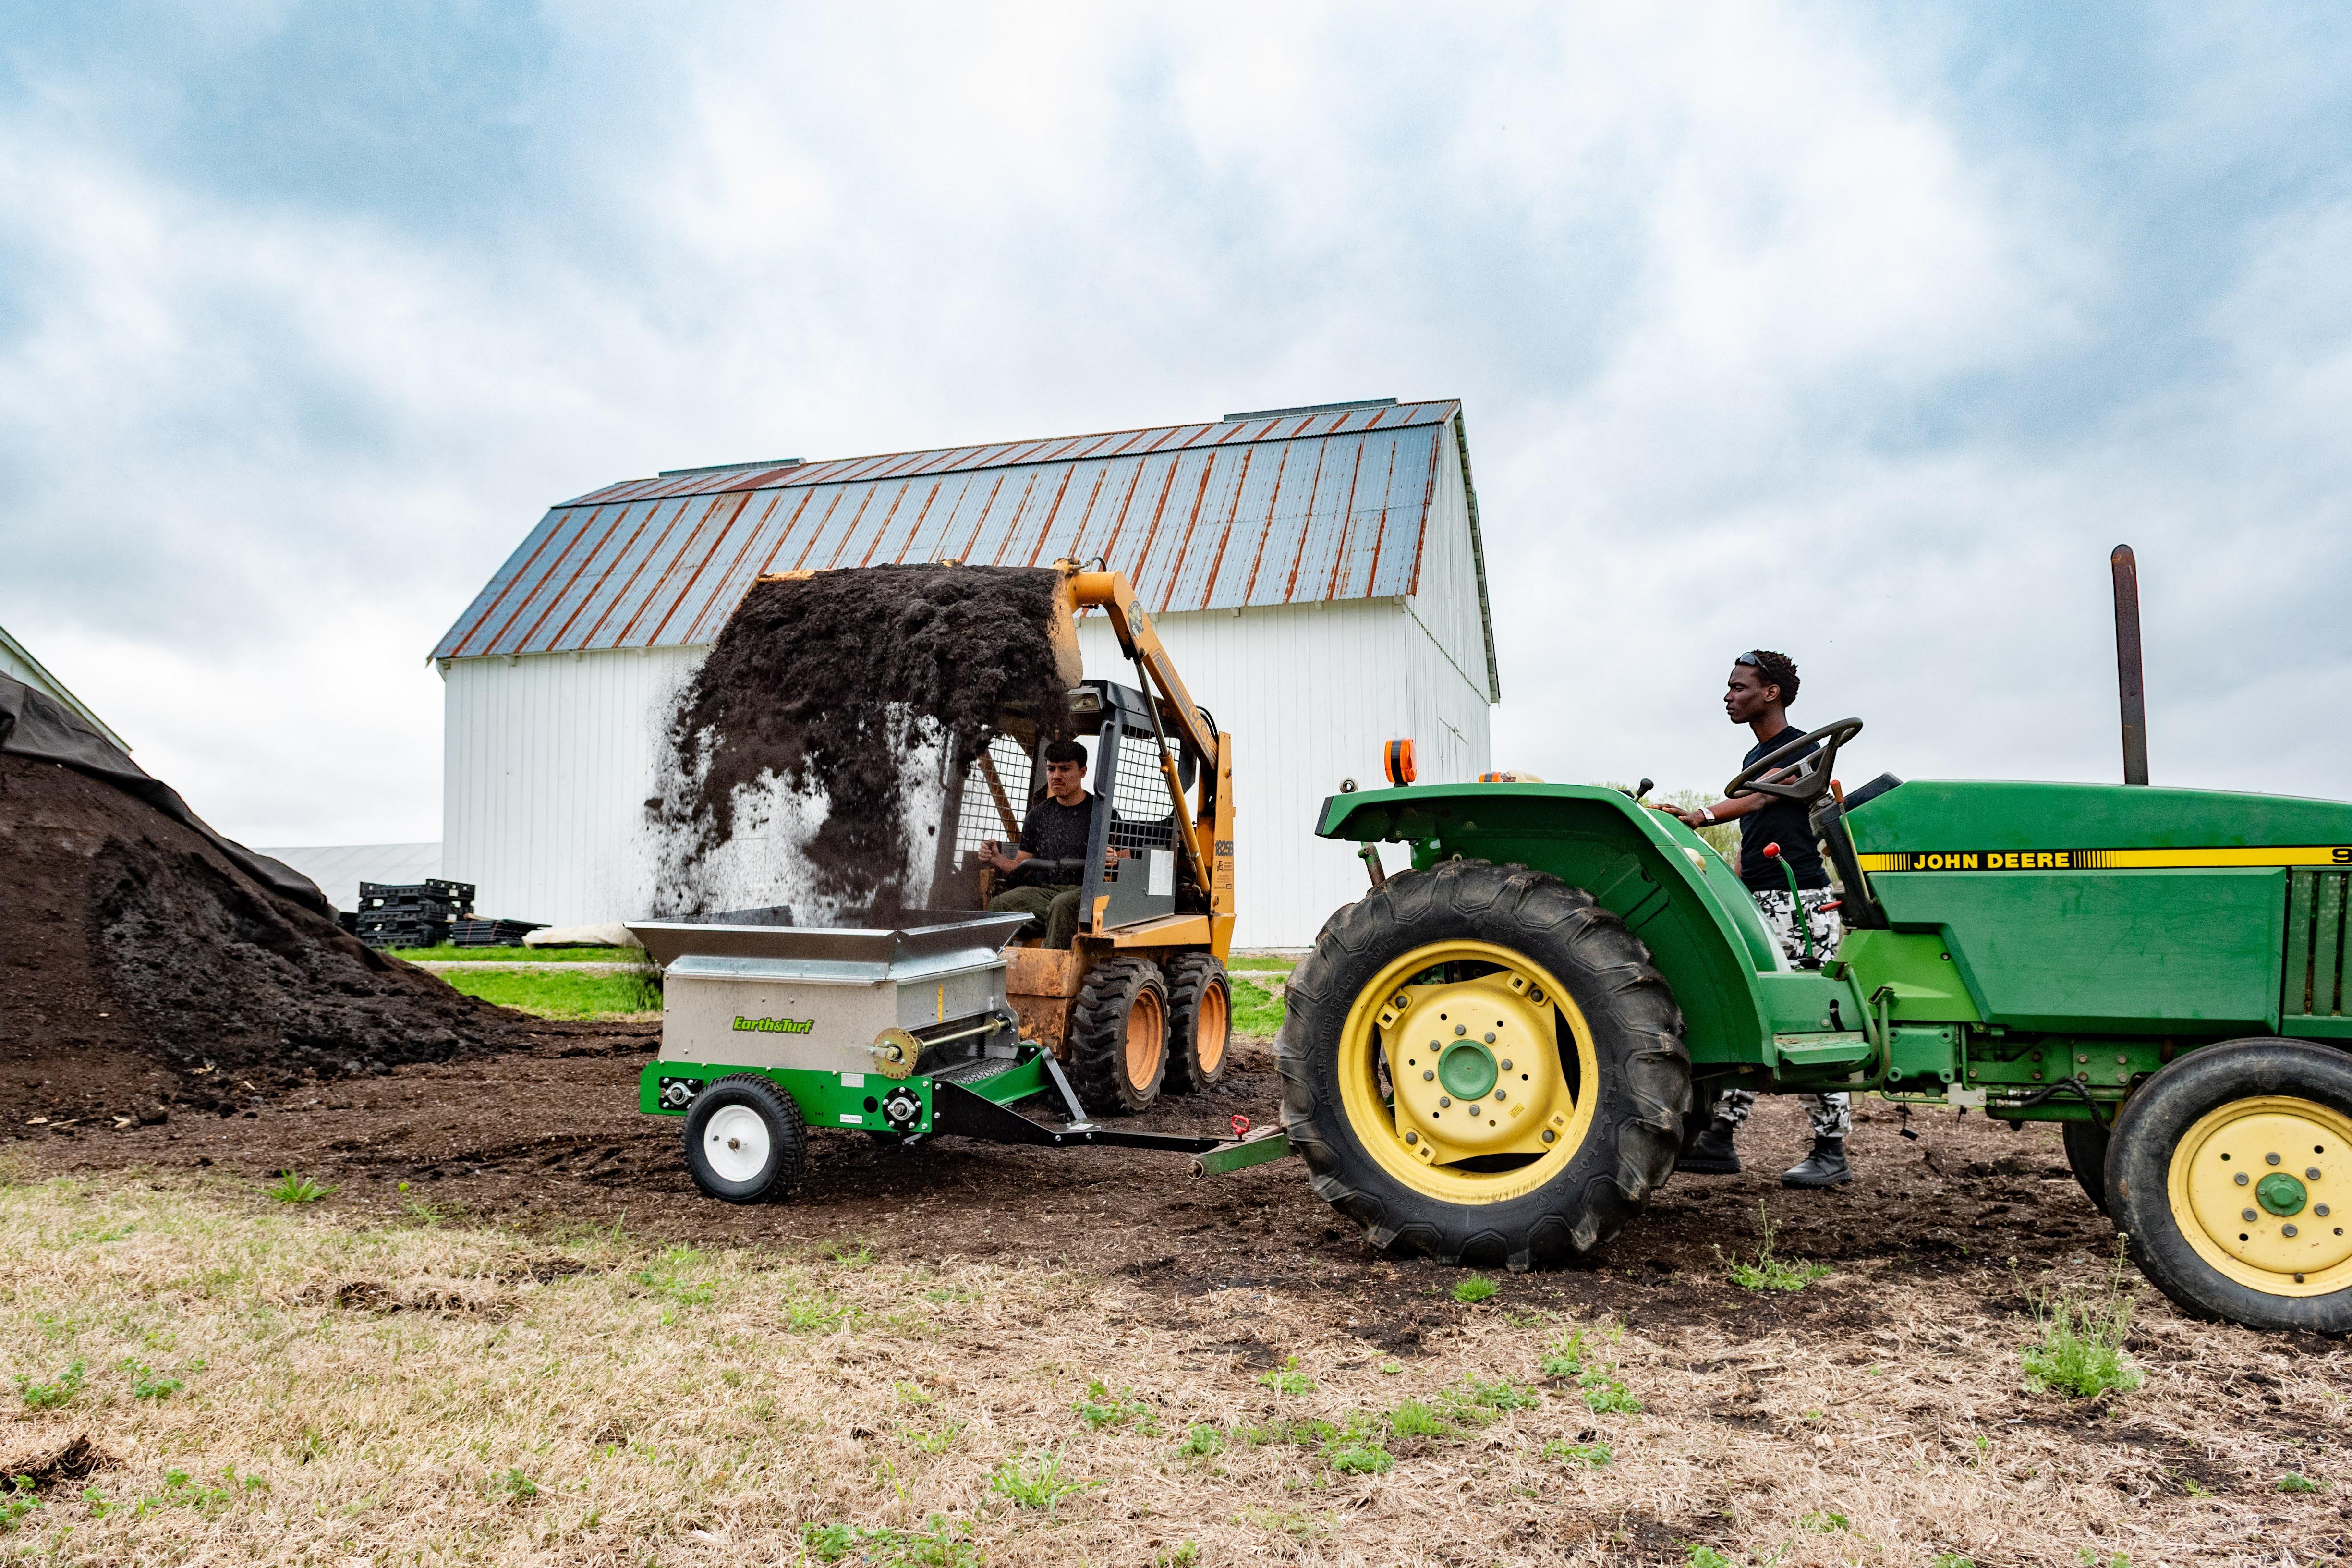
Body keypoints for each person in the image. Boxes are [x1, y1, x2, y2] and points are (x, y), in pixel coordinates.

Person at [1659, 649, 1853, 1189]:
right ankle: (1719, 1137)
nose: (1728, 696)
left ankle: (1830, 1148)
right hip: (1763, 898)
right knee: (1746, 1011)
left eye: (1738, 687)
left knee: (1812, 1021)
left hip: (1799, 903)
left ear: (1770, 693)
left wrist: (1699, 816)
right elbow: (1754, 827)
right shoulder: (1757, 752)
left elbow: (1756, 800)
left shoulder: (1802, 749)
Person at [979, 739, 1120, 949]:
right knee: (999, 905)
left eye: (1065, 769)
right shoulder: (1037, 816)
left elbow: (1125, 860)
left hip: (1089, 893)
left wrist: (1115, 859)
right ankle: (994, 966)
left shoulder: (1104, 814)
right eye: (1051, 769)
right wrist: (997, 859)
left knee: (1062, 905)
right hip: (1046, 893)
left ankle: (1054, 974)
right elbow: (1021, 865)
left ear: (1082, 772)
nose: (1056, 776)